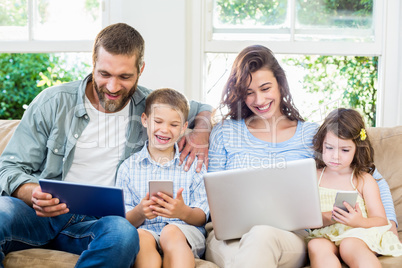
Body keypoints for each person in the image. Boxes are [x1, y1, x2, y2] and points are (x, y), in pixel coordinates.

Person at [0, 23, 211, 267]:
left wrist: (202, 132)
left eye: (125, 77)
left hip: (99, 222)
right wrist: (33, 193)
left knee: (123, 234)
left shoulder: (150, 105)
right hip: (38, 214)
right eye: (104, 74)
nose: (113, 87)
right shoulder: (53, 102)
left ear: (140, 70)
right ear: (93, 64)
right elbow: (8, 168)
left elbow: (201, 109)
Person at [205, 45, 398, 268]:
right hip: (229, 238)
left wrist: (389, 223)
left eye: (265, 88)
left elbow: (369, 175)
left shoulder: (310, 134)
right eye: (249, 92)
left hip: (286, 236)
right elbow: (212, 194)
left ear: (280, 84)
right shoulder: (224, 133)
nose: (258, 99)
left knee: (261, 235)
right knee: (249, 247)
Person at [116, 88, 209, 268]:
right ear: (145, 120)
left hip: (184, 231)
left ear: (183, 127)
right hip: (146, 230)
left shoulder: (193, 165)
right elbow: (123, 219)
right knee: (141, 238)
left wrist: (182, 212)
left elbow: (202, 217)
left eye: (174, 125)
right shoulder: (128, 167)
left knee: (171, 232)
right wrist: (140, 212)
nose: (164, 129)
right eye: (158, 121)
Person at [307, 108, 402, 267]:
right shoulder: (313, 177)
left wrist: (359, 221)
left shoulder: (363, 180)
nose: (335, 156)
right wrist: (329, 216)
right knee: (316, 245)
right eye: (329, 147)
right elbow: (306, 218)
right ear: (321, 144)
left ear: (357, 149)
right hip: (325, 235)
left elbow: (380, 220)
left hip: (359, 233)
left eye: (344, 150)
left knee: (349, 245)